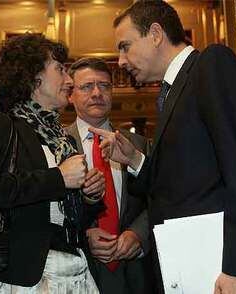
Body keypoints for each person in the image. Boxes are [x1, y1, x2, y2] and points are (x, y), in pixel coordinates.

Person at [90, 1, 236, 293]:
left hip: (223, 269)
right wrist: (136, 160)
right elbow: (182, 185)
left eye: (125, 46)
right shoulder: (172, 91)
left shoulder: (212, 64)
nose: (121, 61)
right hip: (189, 266)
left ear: (155, 33)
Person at [0, 33, 104, 293]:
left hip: (75, 270)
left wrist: (90, 197)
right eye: (60, 69)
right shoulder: (0, 122)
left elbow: (66, 217)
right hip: (24, 278)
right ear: (32, 75)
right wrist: (58, 178)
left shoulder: (59, 135)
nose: (69, 80)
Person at [66, 57, 153, 294]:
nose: (97, 93)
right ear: (70, 95)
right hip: (78, 269)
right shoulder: (56, 145)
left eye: (104, 86)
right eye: (86, 86)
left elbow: (159, 196)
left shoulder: (138, 144)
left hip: (136, 274)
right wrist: (83, 235)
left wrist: (139, 234)